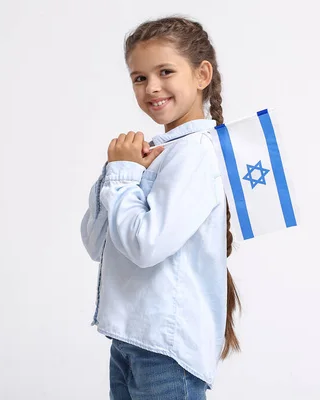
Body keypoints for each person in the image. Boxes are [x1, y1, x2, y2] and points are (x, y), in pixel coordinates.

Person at [80, 16, 241, 399]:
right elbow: (95, 242)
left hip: (166, 350)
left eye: (165, 71)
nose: (152, 87)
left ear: (202, 74)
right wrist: (116, 171)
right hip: (130, 340)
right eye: (139, 78)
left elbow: (146, 245)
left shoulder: (196, 154)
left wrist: (123, 173)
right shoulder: (158, 153)